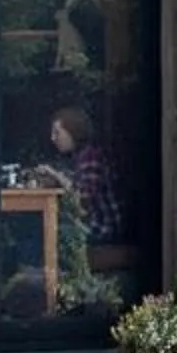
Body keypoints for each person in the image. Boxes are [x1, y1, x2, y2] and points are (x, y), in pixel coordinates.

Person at [39, 104, 123, 246]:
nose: (53, 138)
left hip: (102, 228)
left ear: (73, 132)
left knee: (46, 230)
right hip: (95, 225)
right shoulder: (80, 156)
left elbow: (82, 199)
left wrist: (56, 176)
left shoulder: (91, 157)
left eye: (57, 133)